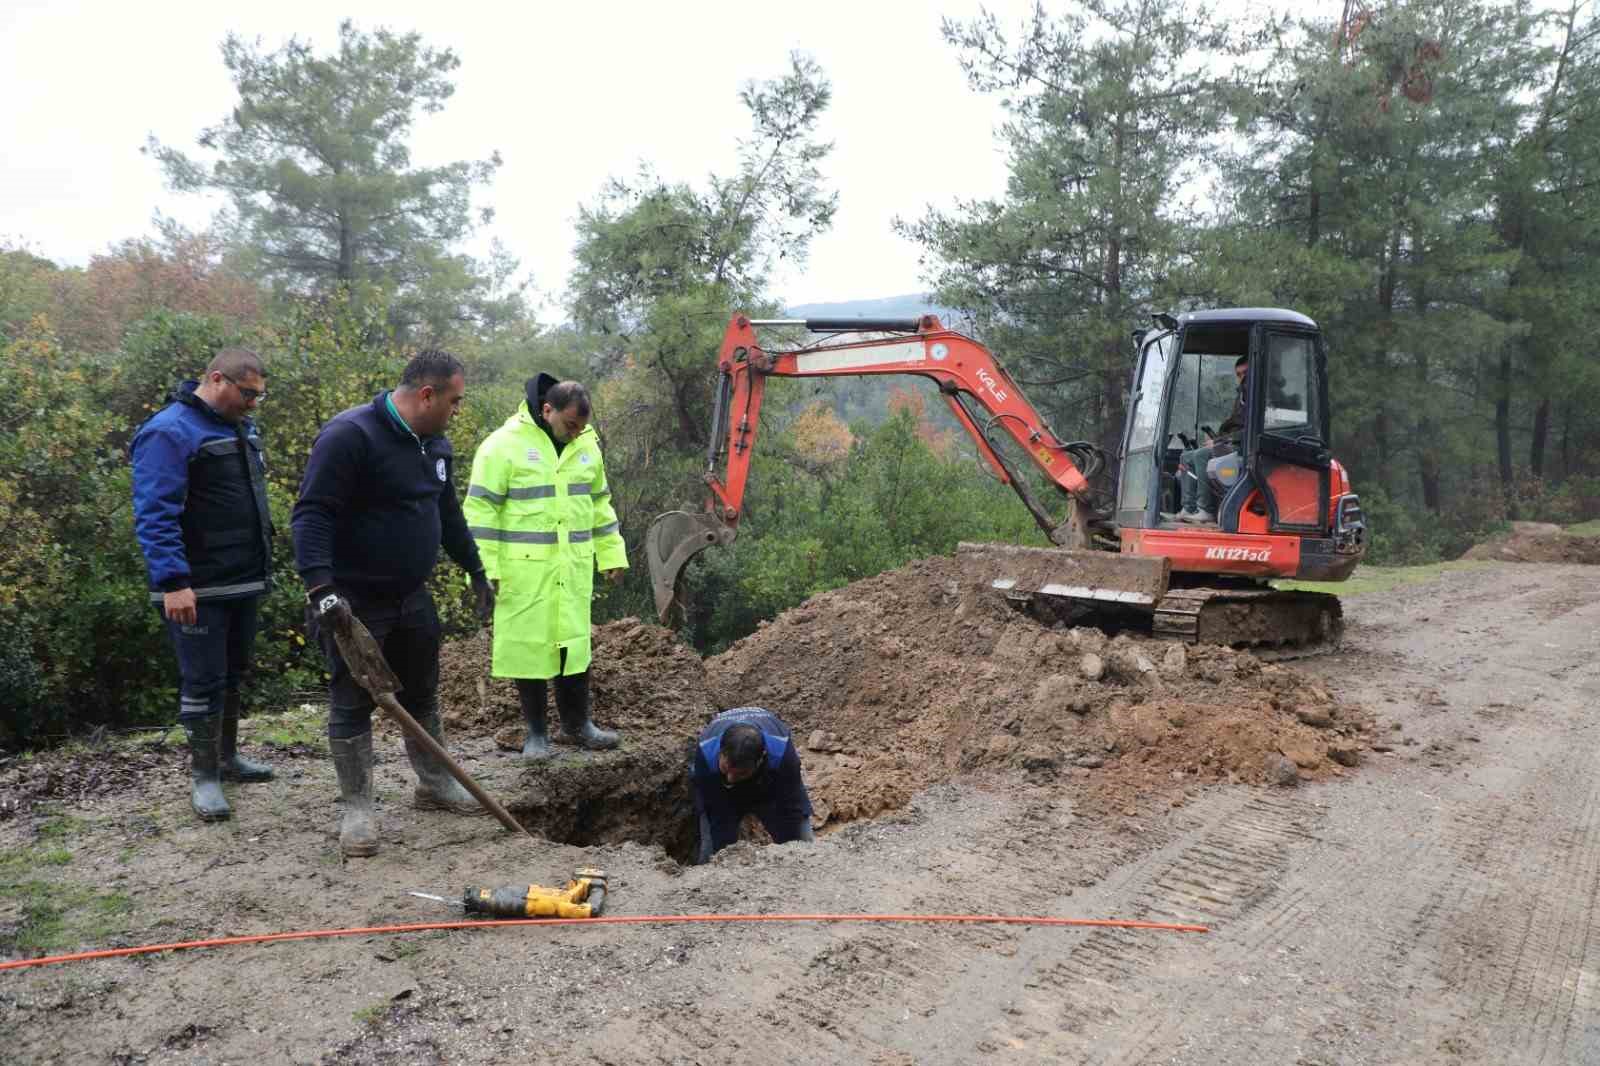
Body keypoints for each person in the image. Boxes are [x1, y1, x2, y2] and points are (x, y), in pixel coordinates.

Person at [291, 349, 495, 858]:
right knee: (352, 700)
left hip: (412, 596)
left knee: (423, 690)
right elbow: (312, 514)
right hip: (353, 601)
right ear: (427, 395)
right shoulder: (349, 436)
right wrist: (322, 590)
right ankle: (357, 808)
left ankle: (433, 783)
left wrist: (475, 570)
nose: (456, 410)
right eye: (454, 401)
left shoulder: (436, 445)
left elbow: (447, 515)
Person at [131, 348, 276, 822]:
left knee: (234, 673)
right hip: (196, 586)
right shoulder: (168, 432)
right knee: (203, 680)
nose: (254, 403)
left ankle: (228, 759)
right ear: (217, 379)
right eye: (247, 392)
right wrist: (173, 581)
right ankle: (204, 777)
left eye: (259, 394)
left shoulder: (239, 427)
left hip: (243, 579)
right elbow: (155, 514)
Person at [463, 374, 626, 761]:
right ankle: (536, 733)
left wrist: (611, 553)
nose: (575, 434)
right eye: (570, 425)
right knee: (530, 649)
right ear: (547, 410)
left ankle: (577, 725)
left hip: (571, 568)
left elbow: (600, 503)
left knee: (574, 645)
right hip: (524, 571)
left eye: (582, 427)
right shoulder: (503, 446)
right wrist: (485, 569)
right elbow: (480, 509)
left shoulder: (586, 446)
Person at [689, 707, 815, 864]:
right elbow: (713, 809)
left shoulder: (781, 753)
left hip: (769, 785)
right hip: (720, 790)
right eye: (726, 769)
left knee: (799, 846)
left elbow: (792, 802)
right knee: (714, 852)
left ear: (761, 759)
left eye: (740, 773)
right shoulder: (706, 751)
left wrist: (801, 846)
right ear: (720, 752)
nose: (731, 778)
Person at [1172, 355, 1248, 524]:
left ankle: (1205, 509)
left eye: (1246, 373)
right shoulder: (1242, 396)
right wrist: (1219, 439)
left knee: (1201, 455)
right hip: (1230, 443)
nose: (1242, 378)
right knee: (1187, 457)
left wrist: (1219, 442)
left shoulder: (1255, 397)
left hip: (1244, 447)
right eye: (1239, 374)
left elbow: (1248, 431)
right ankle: (1189, 507)